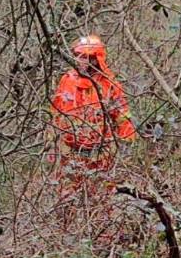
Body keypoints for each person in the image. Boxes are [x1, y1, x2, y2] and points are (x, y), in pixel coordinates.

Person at [49, 34, 137, 208]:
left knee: (100, 198)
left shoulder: (109, 84)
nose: (79, 60)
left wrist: (126, 141)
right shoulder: (66, 80)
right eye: (78, 55)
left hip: (99, 153)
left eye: (84, 56)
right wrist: (53, 145)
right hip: (70, 153)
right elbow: (56, 114)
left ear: (95, 60)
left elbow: (122, 115)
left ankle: (100, 231)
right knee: (67, 198)